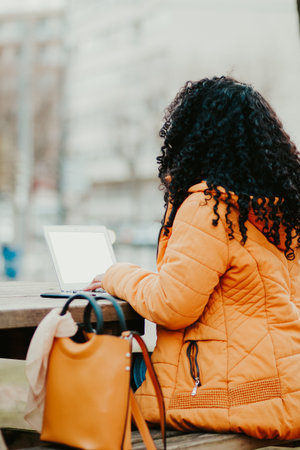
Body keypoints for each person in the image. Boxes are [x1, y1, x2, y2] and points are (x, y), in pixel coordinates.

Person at [86, 76, 300, 440]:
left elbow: (172, 304)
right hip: (285, 387)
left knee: (85, 380)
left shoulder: (209, 207)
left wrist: (115, 274)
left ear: (193, 138)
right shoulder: (282, 211)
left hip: (237, 395)